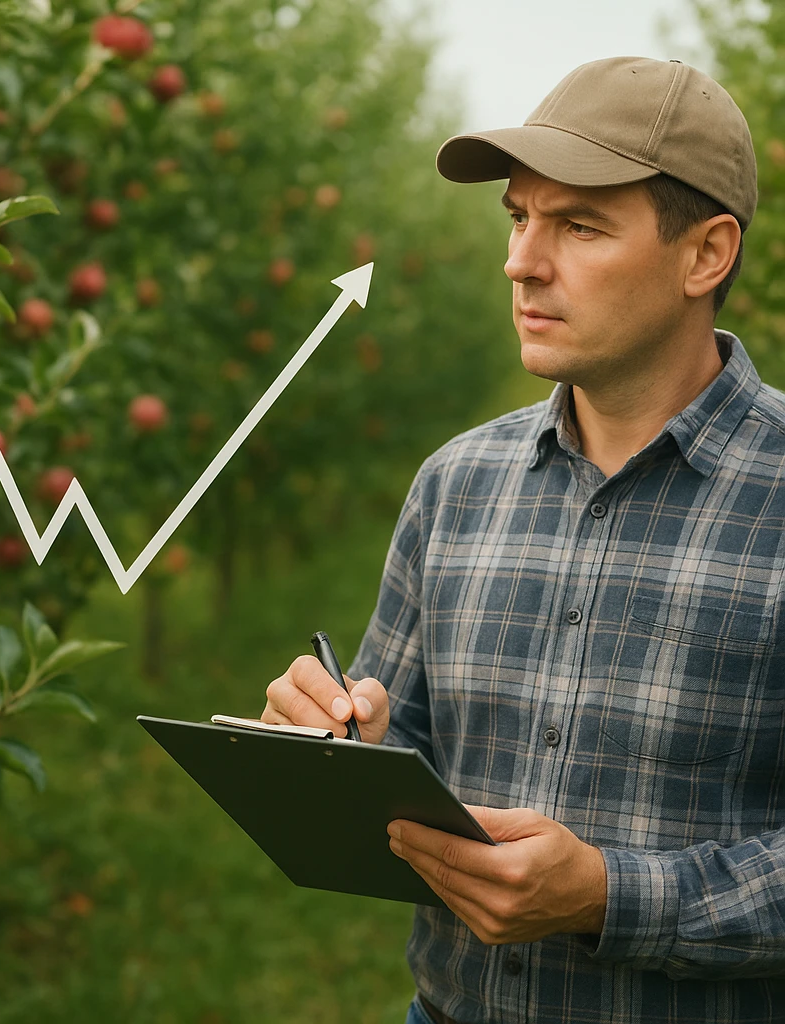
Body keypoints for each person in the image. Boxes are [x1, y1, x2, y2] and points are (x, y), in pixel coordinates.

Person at [260, 55, 785, 1023]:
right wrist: (346, 748)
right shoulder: (456, 485)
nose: (520, 260)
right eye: (517, 217)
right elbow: (404, 754)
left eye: (578, 225)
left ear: (705, 254)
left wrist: (607, 896)